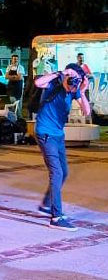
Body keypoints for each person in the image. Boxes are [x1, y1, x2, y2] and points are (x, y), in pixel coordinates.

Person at [34, 64, 90, 231]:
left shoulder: (74, 91)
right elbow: (38, 83)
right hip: (45, 132)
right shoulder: (54, 84)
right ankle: (56, 217)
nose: (73, 83)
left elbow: (86, 111)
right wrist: (61, 73)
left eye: (76, 81)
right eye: (71, 79)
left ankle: (46, 204)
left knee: (64, 171)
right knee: (57, 172)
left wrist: (82, 91)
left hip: (58, 135)